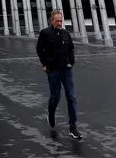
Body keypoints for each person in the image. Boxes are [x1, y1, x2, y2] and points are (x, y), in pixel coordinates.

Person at [36, 9, 81, 140]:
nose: (60, 23)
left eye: (61, 20)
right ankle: (51, 112)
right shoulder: (45, 33)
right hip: (53, 71)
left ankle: (73, 127)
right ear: (52, 21)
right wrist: (44, 64)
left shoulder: (66, 33)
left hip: (66, 71)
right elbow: (39, 49)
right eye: (57, 21)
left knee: (71, 97)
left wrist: (70, 62)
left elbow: (71, 48)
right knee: (55, 97)